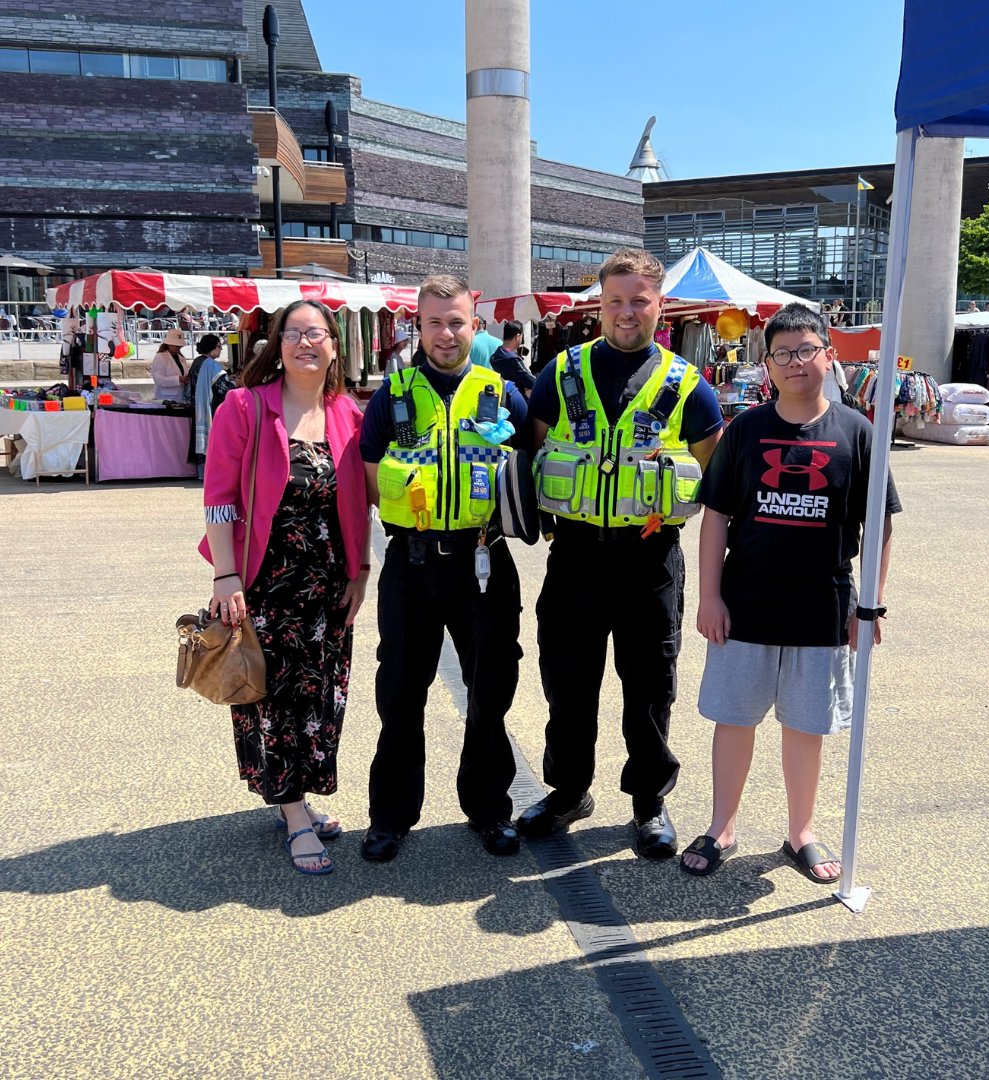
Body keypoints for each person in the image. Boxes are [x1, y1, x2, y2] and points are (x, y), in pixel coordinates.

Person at [680, 302, 900, 883]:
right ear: (767, 364)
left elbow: (879, 525)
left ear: (829, 355)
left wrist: (869, 605)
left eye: (807, 350)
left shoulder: (859, 431)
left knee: (808, 723)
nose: (796, 362)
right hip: (745, 603)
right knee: (735, 718)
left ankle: (800, 830)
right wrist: (709, 597)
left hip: (822, 605)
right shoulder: (747, 430)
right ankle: (722, 825)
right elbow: (716, 517)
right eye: (783, 353)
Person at [519, 249, 723, 859]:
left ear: (660, 305)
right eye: (616, 301)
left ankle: (648, 801)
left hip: (650, 561)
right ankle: (568, 791)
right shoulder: (559, 374)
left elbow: (720, 480)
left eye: (639, 301)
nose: (626, 312)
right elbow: (530, 460)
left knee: (650, 684)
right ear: (599, 305)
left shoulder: (688, 385)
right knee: (567, 681)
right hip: (575, 556)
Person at [359, 274, 529, 862]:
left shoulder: (500, 392)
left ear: (473, 325)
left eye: (456, 321)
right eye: (434, 322)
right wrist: (409, 522)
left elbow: (530, 458)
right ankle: (391, 817)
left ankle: (488, 808)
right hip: (411, 565)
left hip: (483, 564)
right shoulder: (395, 393)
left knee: (491, 691)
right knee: (400, 695)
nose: (446, 333)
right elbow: (368, 469)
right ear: (419, 326)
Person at [200, 299, 369, 875]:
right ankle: (294, 812)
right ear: (276, 344)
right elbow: (219, 498)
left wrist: (360, 573)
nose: (305, 343)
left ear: (334, 345)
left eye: (316, 333)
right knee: (274, 700)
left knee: (320, 698)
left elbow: (359, 504)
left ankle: (295, 794)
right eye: (293, 333)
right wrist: (225, 575)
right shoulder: (245, 407)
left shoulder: (347, 411)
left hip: (327, 588)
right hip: (264, 586)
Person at [185, 333, 233, 478]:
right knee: (212, 438)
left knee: (200, 439)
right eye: (219, 347)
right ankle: (211, 473)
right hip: (209, 406)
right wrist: (234, 384)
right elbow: (221, 389)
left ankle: (202, 472)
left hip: (197, 404)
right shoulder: (212, 365)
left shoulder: (197, 362)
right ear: (212, 347)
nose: (220, 350)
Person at [489, 319, 536, 396]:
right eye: (521, 336)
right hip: (515, 398)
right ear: (517, 337)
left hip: (501, 395)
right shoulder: (513, 360)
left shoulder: (496, 355)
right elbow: (532, 381)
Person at [150, 328, 189, 400]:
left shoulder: (181, 357)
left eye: (180, 346)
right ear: (169, 344)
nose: (179, 348)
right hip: (165, 397)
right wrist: (178, 379)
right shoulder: (160, 357)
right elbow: (158, 380)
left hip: (180, 396)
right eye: (176, 346)